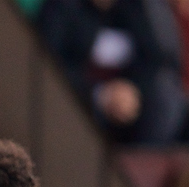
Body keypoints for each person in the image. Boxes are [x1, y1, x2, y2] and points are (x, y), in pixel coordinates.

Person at [37, 0, 187, 144]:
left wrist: (131, 90)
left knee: (167, 100)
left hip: (134, 105)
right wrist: (100, 94)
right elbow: (46, 68)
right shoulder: (62, 7)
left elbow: (162, 60)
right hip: (79, 102)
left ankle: (148, 163)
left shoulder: (140, 9)